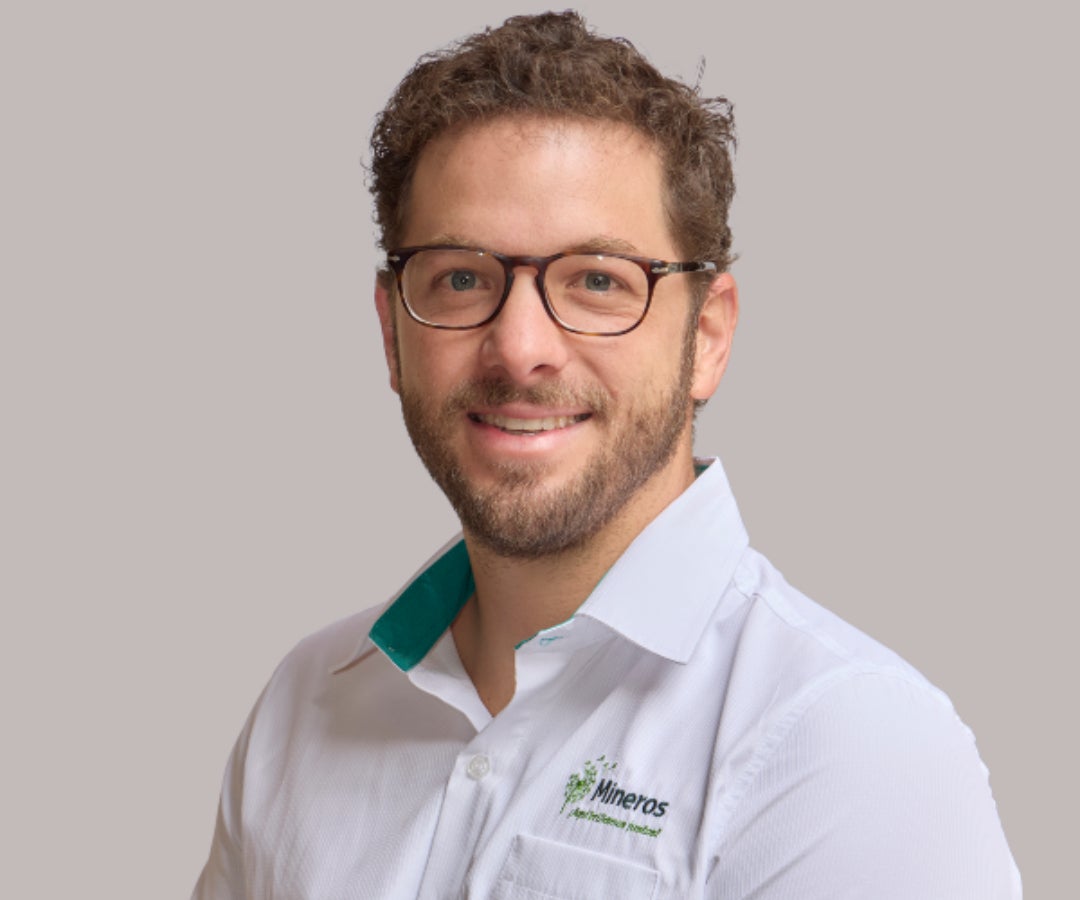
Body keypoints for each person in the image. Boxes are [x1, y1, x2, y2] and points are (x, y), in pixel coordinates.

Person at [192, 11, 1020, 898]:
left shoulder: (847, 750)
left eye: (597, 281)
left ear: (707, 337)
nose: (520, 349)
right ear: (392, 331)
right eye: (461, 278)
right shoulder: (305, 704)